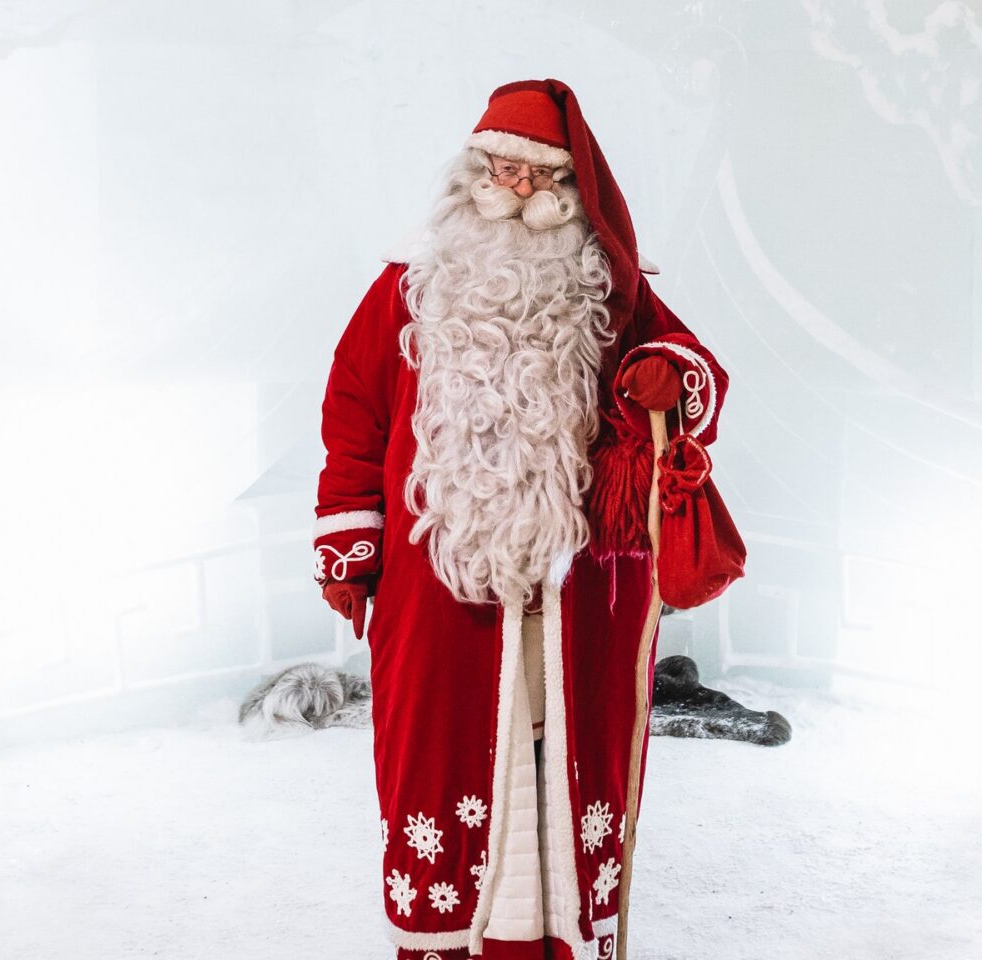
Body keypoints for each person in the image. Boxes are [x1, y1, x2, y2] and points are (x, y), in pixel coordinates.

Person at [311, 78, 729, 960]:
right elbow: (354, 411)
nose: (514, 187)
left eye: (535, 176)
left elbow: (694, 369)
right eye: (499, 168)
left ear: (570, 189)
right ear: (472, 175)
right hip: (439, 589)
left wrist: (662, 367)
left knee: (560, 753)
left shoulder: (605, 288)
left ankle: (557, 939)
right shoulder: (406, 288)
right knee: (451, 758)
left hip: (576, 590)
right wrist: (350, 546)